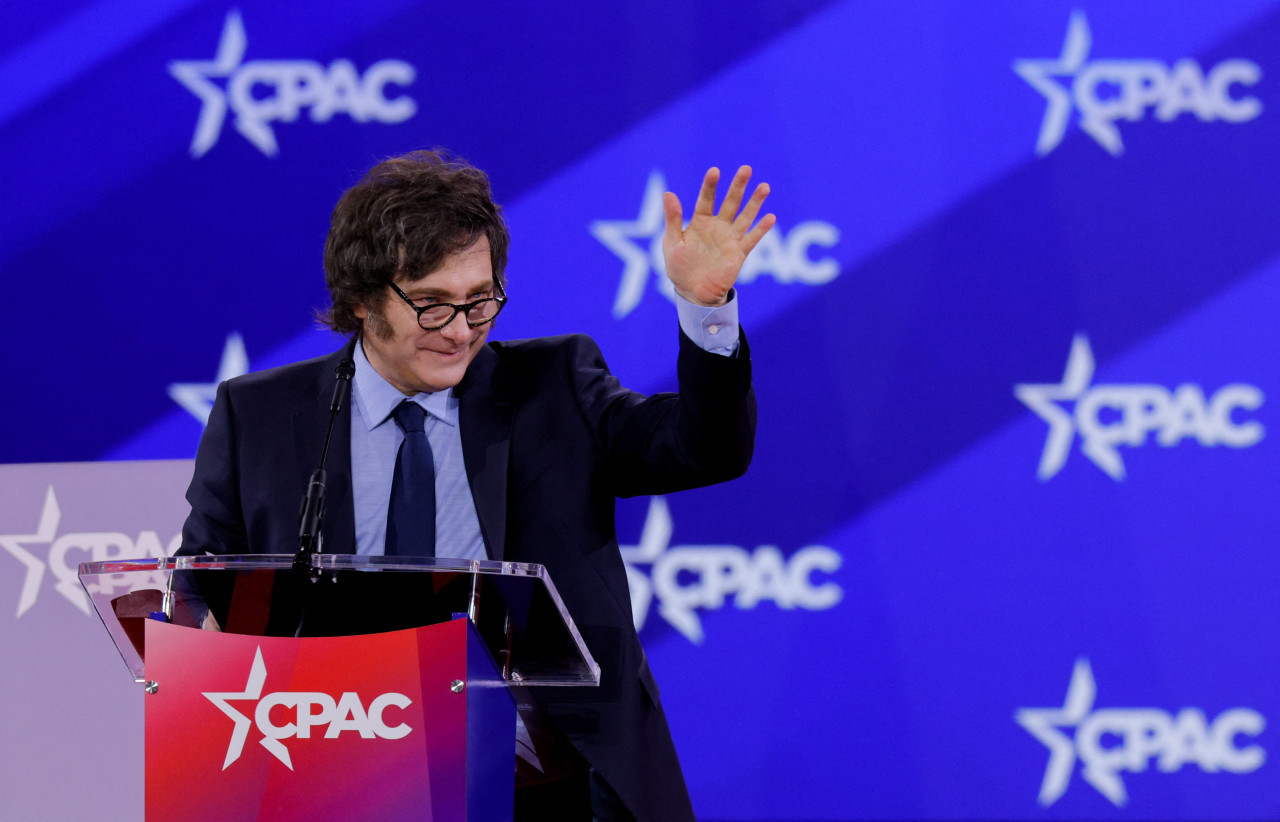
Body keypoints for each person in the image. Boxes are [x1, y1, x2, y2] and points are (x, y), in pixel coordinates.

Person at [178, 149, 773, 821]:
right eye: (432, 305)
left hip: (547, 786)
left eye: (480, 300)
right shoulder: (257, 416)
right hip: (341, 774)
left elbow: (705, 450)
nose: (461, 330)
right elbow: (201, 590)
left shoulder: (556, 385)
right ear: (361, 299)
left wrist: (706, 309)